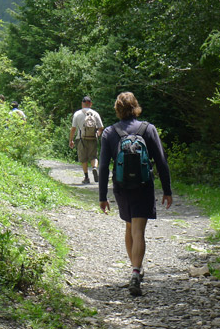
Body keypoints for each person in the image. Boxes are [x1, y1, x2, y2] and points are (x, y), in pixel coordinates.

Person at [98, 92, 173, 297]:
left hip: (122, 187)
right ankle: (135, 272)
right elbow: (161, 162)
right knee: (138, 229)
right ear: (136, 107)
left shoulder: (109, 133)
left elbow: (104, 167)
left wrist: (102, 196)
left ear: (117, 109)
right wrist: (167, 190)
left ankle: (134, 269)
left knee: (130, 226)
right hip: (143, 185)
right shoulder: (148, 129)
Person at [69, 96, 104, 184]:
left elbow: (73, 128)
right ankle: (94, 168)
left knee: (83, 158)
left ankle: (86, 177)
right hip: (93, 138)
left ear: (82, 103)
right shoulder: (95, 113)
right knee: (94, 157)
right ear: (90, 104)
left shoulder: (77, 114)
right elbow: (101, 127)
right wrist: (97, 135)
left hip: (81, 139)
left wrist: (71, 140)